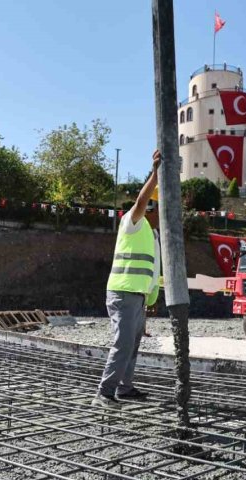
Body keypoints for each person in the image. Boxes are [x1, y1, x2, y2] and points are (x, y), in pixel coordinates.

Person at [94, 150, 162, 408]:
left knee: (132, 344)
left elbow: (152, 269)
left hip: (138, 296)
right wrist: (155, 174)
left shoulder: (153, 234)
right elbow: (141, 200)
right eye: (154, 207)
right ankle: (104, 392)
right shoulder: (131, 223)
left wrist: (151, 297)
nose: (156, 212)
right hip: (122, 294)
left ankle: (124, 388)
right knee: (122, 344)